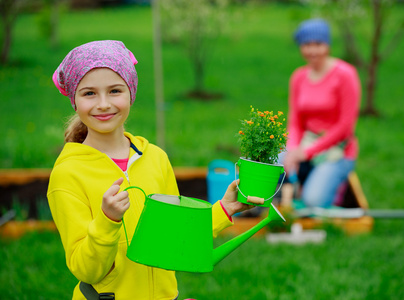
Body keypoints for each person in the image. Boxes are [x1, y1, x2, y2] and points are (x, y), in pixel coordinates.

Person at [47, 40, 263, 300]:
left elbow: (175, 239)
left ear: (131, 93)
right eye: (89, 93)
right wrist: (107, 220)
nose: (103, 104)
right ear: (74, 100)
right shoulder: (68, 174)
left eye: (115, 90)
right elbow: (87, 270)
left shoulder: (155, 158)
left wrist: (225, 208)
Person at [282, 19, 361, 208]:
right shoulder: (298, 77)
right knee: (268, 167)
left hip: (337, 150)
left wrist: (306, 153)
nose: (312, 50)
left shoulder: (345, 75)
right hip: (304, 144)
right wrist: (292, 149)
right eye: (306, 44)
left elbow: (345, 127)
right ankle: (300, 182)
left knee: (314, 201)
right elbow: (295, 122)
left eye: (318, 44)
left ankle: (336, 185)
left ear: (327, 45)